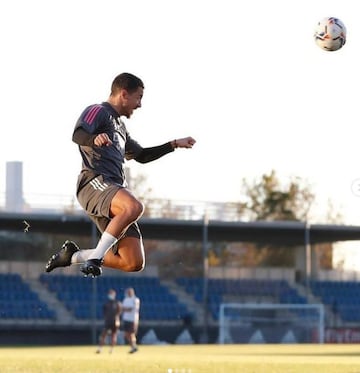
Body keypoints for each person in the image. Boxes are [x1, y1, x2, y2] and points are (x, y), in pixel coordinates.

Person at [45, 72, 196, 277]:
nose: (140, 104)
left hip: (114, 192)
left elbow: (141, 155)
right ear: (124, 94)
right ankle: (96, 258)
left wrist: (174, 144)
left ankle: (72, 256)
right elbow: (78, 134)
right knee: (134, 206)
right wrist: (94, 138)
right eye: (139, 97)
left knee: (132, 262)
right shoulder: (97, 111)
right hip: (94, 183)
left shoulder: (120, 127)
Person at [96, 289, 122, 354]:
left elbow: (119, 312)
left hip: (114, 321)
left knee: (113, 335)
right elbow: (104, 312)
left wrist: (118, 320)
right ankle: (100, 348)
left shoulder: (117, 303)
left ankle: (111, 349)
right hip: (108, 321)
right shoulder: (106, 303)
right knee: (103, 335)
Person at [122, 287, 140, 353]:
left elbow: (131, 309)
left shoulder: (135, 299)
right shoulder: (126, 299)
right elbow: (123, 308)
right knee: (126, 334)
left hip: (132, 319)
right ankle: (133, 347)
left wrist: (125, 309)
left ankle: (134, 346)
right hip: (126, 319)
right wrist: (125, 309)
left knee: (131, 334)